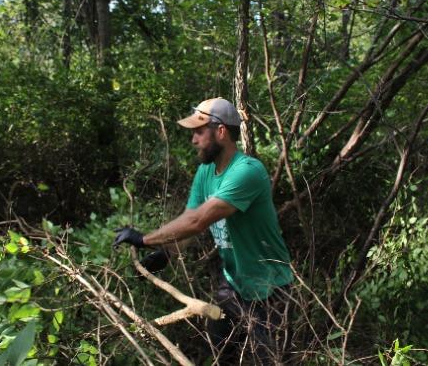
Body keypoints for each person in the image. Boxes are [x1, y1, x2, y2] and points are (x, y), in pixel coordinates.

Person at [113, 97, 293, 363]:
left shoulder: (247, 172)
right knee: (222, 354)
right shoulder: (205, 172)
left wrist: (143, 239)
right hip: (233, 284)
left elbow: (198, 221)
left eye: (199, 131)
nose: (193, 140)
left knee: (271, 360)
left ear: (221, 132)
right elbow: (190, 220)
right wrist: (167, 253)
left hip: (269, 290)